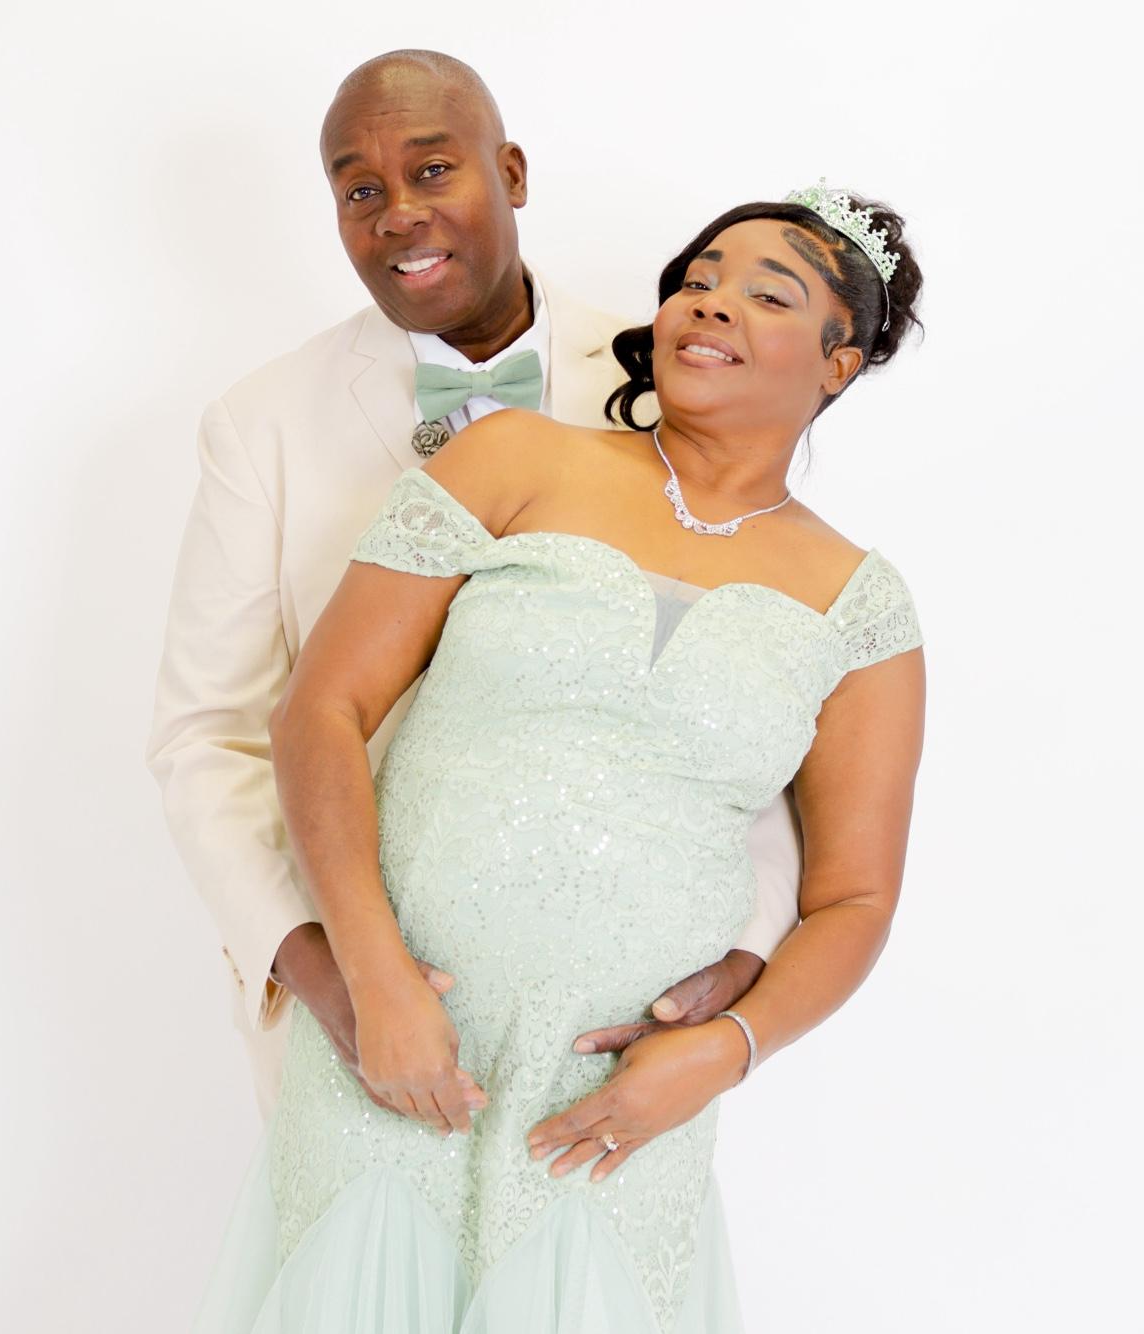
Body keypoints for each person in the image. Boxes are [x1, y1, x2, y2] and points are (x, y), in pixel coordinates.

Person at [190, 190, 926, 1331]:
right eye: (697, 280)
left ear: (837, 362)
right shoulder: (513, 458)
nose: (710, 303)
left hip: (615, 1106)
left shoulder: (862, 609)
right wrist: (372, 978)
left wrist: (726, 1052)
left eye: (766, 294)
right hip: (402, 1048)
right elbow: (320, 710)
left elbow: (854, 898)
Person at [146, 50, 805, 1122]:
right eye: (360, 190)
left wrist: (743, 950)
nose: (398, 214)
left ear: (512, 173)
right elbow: (205, 738)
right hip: (359, 1016)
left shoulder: (669, 377)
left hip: (611, 1011)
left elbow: (754, 679)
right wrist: (327, 973)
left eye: (432, 170)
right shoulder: (259, 424)